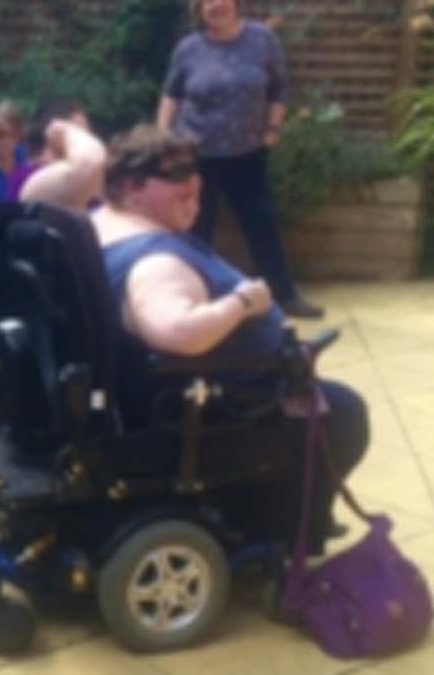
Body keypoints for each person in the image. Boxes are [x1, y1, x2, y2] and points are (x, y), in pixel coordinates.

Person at [92, 124, 366, 547]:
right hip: (219, 403)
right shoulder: (155, 260)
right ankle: (289, 535)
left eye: (194, 170)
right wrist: (244, 302)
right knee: (345, 411)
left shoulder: (100, 223)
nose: (194, 182)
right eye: (177, 176)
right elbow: (178, 331)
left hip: (175, 391)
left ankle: (282, 513)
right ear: (132, 188)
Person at [157, 0, 323, 319]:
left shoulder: (262, 39)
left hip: (248, 154)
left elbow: (278, 89)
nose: (214, 6)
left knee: (262, 225)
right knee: (196, 230)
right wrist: (163, 139)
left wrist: (273, 128)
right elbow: (171, 96)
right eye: (205, 3)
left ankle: (285, 296)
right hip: (196, 156)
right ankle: (196, 298)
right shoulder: (189, 48)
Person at [16, 109, 106, 214]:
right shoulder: (28, 177)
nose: (87, 140)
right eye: (80, 135)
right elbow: (88, 161)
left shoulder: (93, 181)